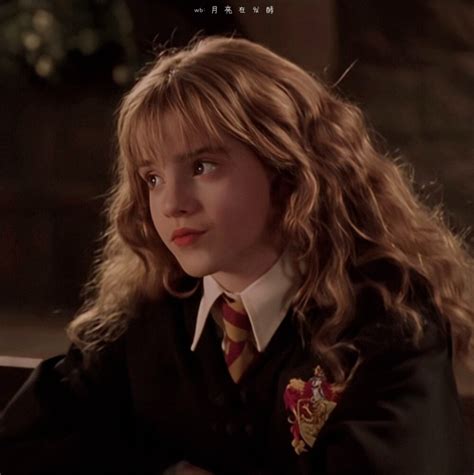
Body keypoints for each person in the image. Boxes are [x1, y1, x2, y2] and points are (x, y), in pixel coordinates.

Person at [1, 35, 473, 475]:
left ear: (287, 170)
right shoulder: (145, 318)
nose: (171, 204)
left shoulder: (389, 323)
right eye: (152, 178)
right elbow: (21, 450)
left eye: (203, 166)